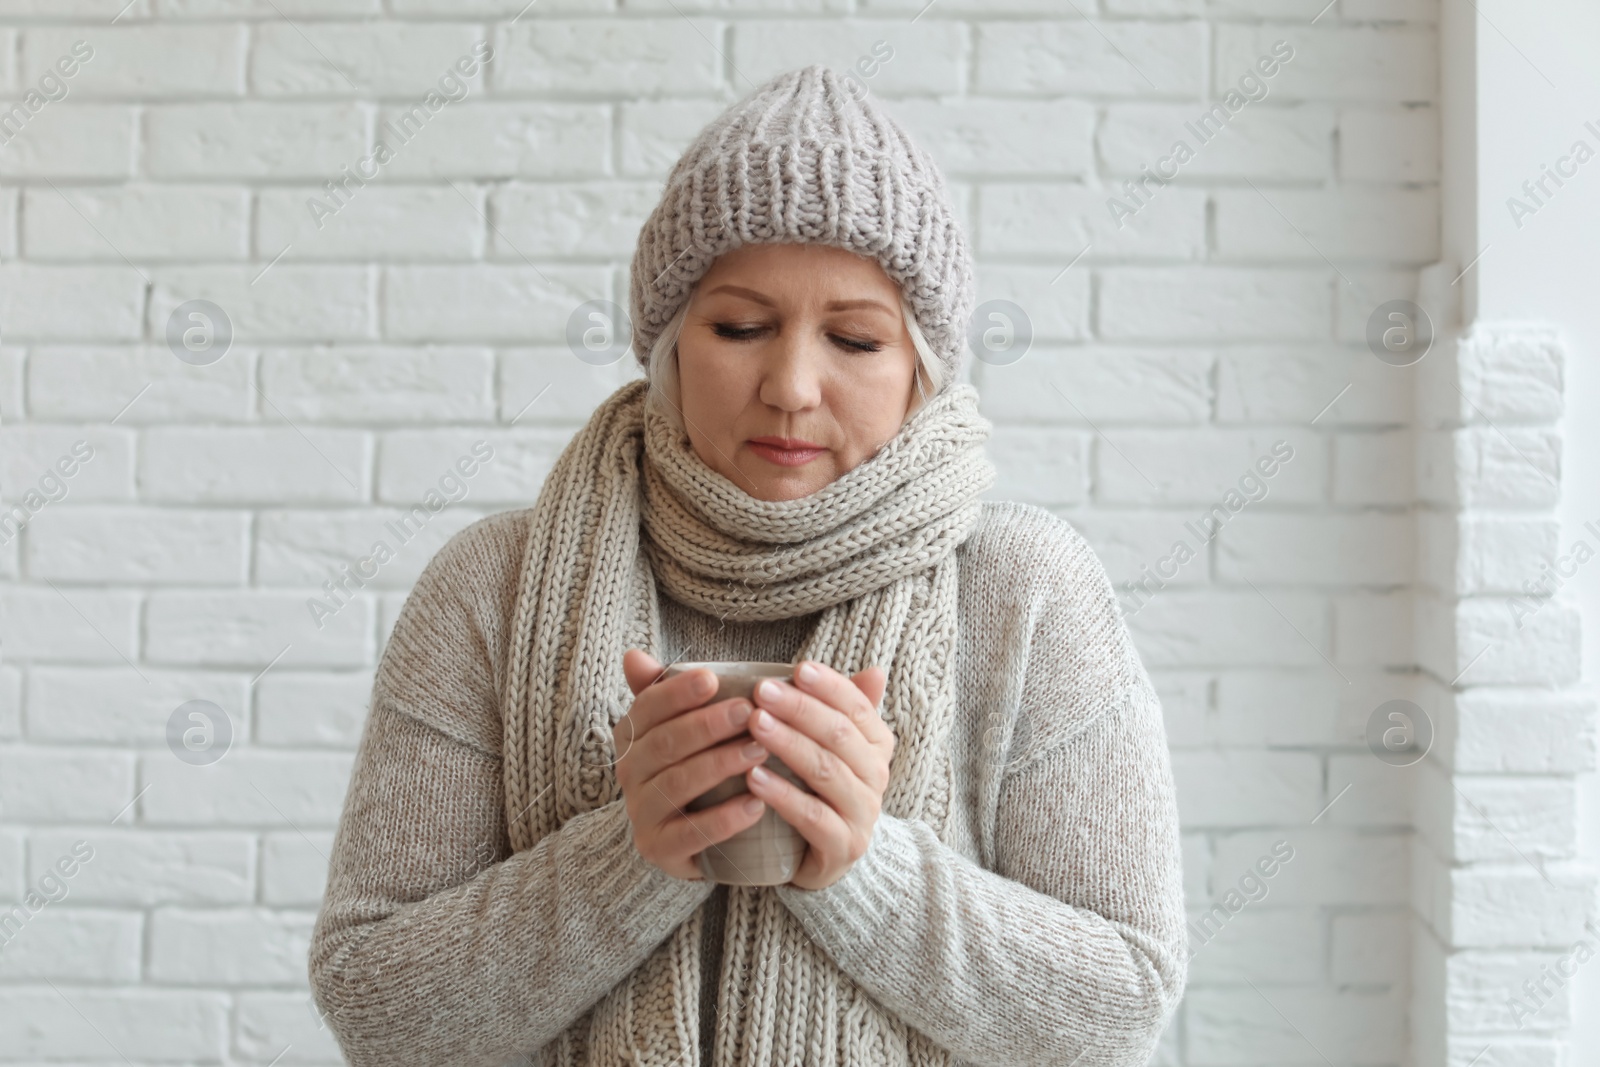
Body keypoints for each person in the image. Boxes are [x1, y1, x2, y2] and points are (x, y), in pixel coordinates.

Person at [308, 64, 1187, 1067]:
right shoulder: (491, 586)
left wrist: (864, 867)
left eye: (855, 337)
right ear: (672, 341)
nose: (792, 388)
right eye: (740, 327)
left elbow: (1122, 1001)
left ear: (921, 368)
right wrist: (627, 858)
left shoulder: (1025, 589)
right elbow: (374, 1004)